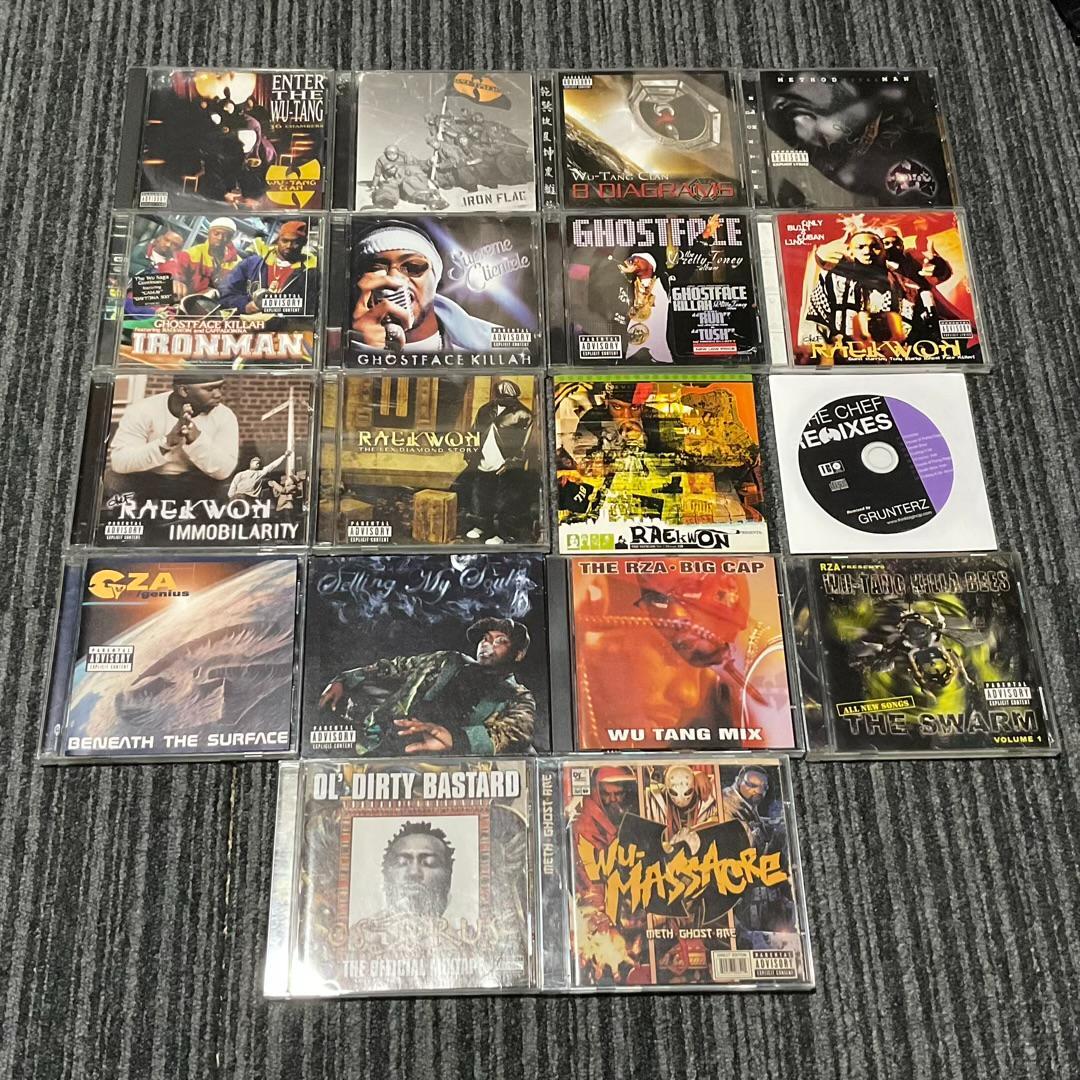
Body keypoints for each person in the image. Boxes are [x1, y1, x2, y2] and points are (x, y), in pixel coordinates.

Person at [318, 616, 536, 755]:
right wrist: (344, 679)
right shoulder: (447, 661)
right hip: (386, 742)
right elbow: (396, 666)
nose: (487, 645)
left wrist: (456, 740)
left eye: (501, 641)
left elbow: (515, 732)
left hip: (447, 770)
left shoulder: (517, 696)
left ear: (518, 654)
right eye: (486, 638)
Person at [347, 220, 502, 354]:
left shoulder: (494, 343)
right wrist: (362, 348)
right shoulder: (338, 343)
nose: (394, 278)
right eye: (375, 269)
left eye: (413, 266)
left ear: (435, 280)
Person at [105, 374, 239, 500]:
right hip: (146, 478)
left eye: (220, 387)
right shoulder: (143, 410)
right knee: (112, 481)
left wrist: (196, 440)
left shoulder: (224, 416)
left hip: (197, 481)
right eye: (209, 389)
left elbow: (224, 470)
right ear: (183, 390)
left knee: (230, 488)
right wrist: (167, 443)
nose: (218, 394)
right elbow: (119, 462)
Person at [451, 380, 536, 544]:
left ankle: (503, 534)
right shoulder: (485, 409)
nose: (508, 401)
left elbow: (527, 443)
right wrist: (469, 451)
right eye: (503, 397)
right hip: (483, 459)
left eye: (511, 398)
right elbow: (474, 431)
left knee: (505, 500)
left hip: (505, 462)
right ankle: (481, 525)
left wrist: (514, 462)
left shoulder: (524, 414)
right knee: (480, 494)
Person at [217, 219, 317, 314]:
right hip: (252, 323)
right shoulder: (252, 264)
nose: (289, 246)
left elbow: (313, 307)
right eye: (285, 241)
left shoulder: (309, 272)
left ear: (303, 243)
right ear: (278, 240)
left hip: (288, 325)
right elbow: (226, 292)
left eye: (295, 242)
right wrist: (245, 306)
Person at [376, 822, 454, 918]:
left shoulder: (461, 927)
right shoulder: (364, 927)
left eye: (429, 862)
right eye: (402, 862)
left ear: (448, 881)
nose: (414, 872)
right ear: (386, 878)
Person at [168, 217, 240, 297]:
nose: (220, 238)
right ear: (209, 233)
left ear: (231, 238)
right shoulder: (192, 253)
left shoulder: (238, 263)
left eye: (226, 235)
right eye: (216, 233)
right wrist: (175, 280)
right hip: (188, 300)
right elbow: (173, 268)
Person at [370, 145, 449, 210]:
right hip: (397, 181)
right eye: (389, 154)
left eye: (394, 154)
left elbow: (418, 164)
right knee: (389, 185)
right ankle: (386, 201)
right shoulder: (381, 160)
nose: (391, 156)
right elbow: (377, 174)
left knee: (409, 180)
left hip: (414, 183)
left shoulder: (405, 159)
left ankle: (432, 198)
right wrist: (374, 185)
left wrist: (429, 162)